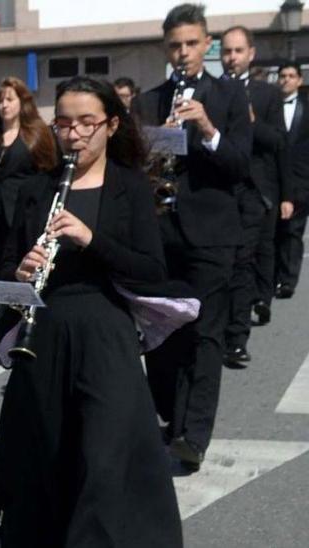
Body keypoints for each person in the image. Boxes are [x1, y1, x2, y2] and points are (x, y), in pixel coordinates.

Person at [0, 75, 183, 548]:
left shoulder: (131, 188)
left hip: (106, 334)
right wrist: (20, 273)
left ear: (111, 125)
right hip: (47, 335)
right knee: (47, 453)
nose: (73, 134)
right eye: (64, 124)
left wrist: (91, 239)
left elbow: (152, 272)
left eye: (86, 123)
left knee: (106, 455)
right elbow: (8, 267)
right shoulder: (39, 189)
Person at [131, 3, 252, 473]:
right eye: (174, 45)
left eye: (190, 44)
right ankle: (172, 420)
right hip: (160, 234)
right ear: (166, 47)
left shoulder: (226, 97)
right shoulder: (148, 100)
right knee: (161, 337)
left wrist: (207, 128)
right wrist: (150, 145)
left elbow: (240, 166)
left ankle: (194, 436)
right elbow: (131, 168)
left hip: (211, 235)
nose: (182, 52)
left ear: (207, 45)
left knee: (205, 336)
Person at [0, 77, 60, 362]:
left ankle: (31, 330)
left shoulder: (38, 133)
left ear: (22, 102)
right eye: (0, 100)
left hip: (29, 214)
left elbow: (51, 172)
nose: (4, 104)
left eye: (10, 99)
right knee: (5, 276)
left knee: (30, 273)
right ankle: (6, 337)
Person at [219, 26, 287, 365]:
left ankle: (236, 337)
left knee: (244, 262)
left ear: (251, 54)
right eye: (227, 52)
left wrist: (251, 121)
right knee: (222, 264)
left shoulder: (267, 94)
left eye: (237, 51)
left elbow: (277, 142)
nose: (232, 58)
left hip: (253, 191)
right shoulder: (211, 90)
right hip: (219, 190)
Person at [276, 63, 308, 300]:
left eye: (291, 76)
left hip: (301, 179)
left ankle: (288, 280)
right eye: (282, 76)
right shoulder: (270, 105)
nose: (286, 80)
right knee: (275, 231)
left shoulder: (307, 107)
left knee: (293, 231)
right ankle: (274, 275)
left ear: (299, 80)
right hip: (273, 179)